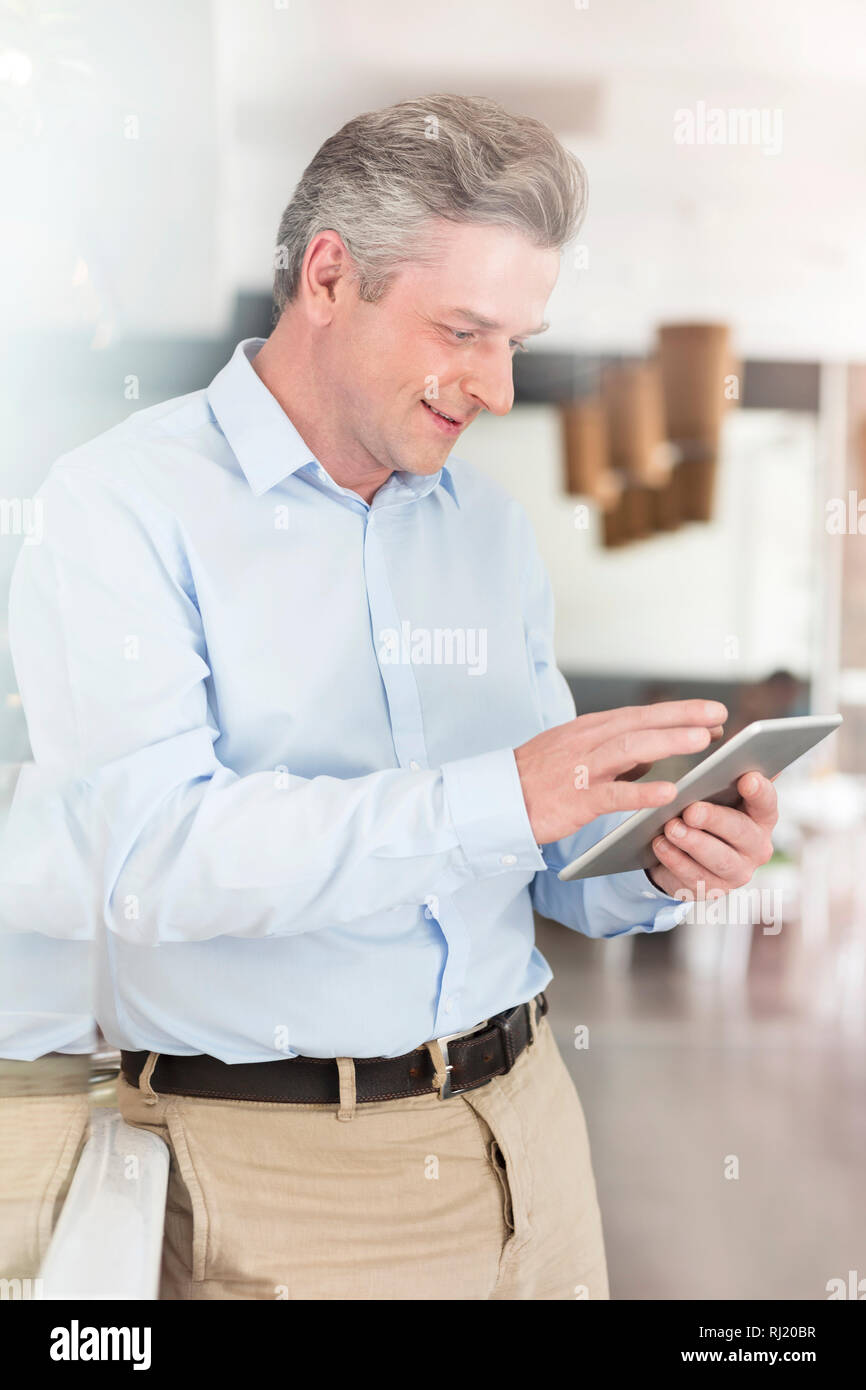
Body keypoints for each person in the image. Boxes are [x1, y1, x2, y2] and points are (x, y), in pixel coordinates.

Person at [9, 93, 778, 1300]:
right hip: (287, 1176)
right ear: (328, 276)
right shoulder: (115, 509)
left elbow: (540, 852)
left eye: (516, 340)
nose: (498, 387)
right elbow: (151, 854)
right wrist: (497, 799)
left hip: (530, 1132)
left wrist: (654, 856)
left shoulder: (488, 529)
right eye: (464, 330)